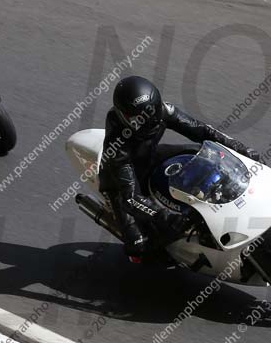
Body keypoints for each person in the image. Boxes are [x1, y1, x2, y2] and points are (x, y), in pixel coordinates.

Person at [100, 75, 262, 259]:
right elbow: (131, 198)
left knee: (202, 153)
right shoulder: (117, 146)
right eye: (136, 118)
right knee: (139, 247)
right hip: (120, 182)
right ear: (123, 116)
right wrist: (166, 217)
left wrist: (241, 149)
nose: (146, 120)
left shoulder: (162, 111)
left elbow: (202, 130)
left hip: (149, 157)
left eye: (150, 111)